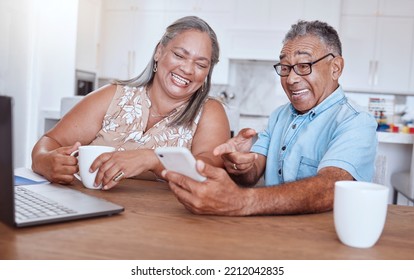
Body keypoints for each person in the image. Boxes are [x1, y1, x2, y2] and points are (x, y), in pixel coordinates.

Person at [162, 20, 378, 216]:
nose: (291, 78)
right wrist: (238, 164)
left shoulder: (356, 122)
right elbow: (252, 173)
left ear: (335, 68)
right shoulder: (279, 116)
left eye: (304, 66)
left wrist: (242, 201)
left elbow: (330, 188)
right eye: (285, 68)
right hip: (272, 232)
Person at [31, 16, 230, 190]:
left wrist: (151, 159)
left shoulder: (210, 112)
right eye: (179, 55)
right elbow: (49, 142)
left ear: (207, 72)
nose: (187, 69)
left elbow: (209, 170)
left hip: (164, 224)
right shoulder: (112, 96)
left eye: (201, 64)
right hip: (89, 210)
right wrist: (43, 161)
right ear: (159, 52)